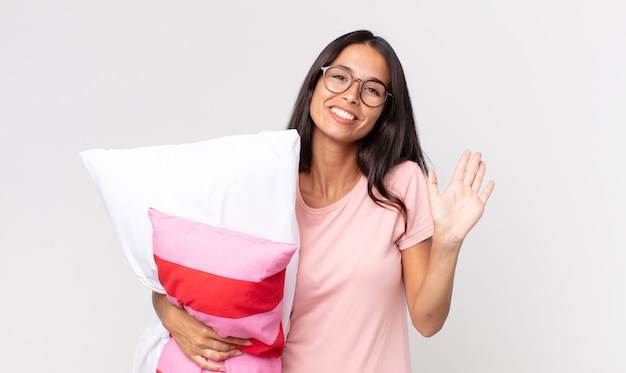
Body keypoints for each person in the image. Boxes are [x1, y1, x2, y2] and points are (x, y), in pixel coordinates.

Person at [152, 29, 495, 372]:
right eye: (340, 77)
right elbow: (183, 280)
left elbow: (427, 320)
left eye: (371, 90)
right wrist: (168, 313)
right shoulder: (265, 186)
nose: (351, 96)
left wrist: (448, 243)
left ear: (385, 111)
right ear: (315, 83)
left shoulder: (398, 185)